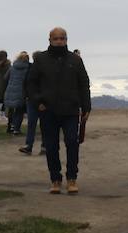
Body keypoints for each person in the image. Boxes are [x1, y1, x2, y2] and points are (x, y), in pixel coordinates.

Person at [27, 27, 91, 194]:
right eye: (56, 38)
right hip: (48, 110)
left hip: (70, 109)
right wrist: (37, 102)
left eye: (62, 38)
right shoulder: (40, 59)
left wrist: (86, 107)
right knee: (51, 146)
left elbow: (84, 83)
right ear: (49, 40)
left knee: (72, 142)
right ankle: (55, 179)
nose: (59, 41)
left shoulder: (75, 60)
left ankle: (72, 178)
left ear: (66, 40)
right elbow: (30, 83)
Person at [5, 51, 31, 135]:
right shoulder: (28, 68)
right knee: (20, 110)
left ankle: (12, 125)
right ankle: (16, 128)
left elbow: (5, 77)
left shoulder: (12, 67)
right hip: (22, 91)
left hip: (11, 90)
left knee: (14, 109)